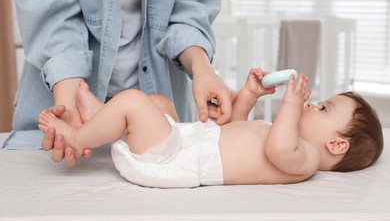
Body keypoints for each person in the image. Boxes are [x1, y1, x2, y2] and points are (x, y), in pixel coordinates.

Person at [8, 0, 235, 165]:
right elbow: (51, 15)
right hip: (65, 97)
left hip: (155, 119)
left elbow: (189, 13)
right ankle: (84, 120)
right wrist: (69, 100)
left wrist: (202, 67)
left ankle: (94, 114)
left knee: (156, 109)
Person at [38, 68, 384, 188]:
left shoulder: (304, 158)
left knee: (132, 102)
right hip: (190, 141)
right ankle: (102, 116)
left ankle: (78, 135)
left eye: (323, 108)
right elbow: (232, 129)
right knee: (158, 103)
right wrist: (250, 95)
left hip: (181, 160)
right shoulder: (291, 139)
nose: (311, 104)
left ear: (337, 145)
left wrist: (291, 104)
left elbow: (277, 149)